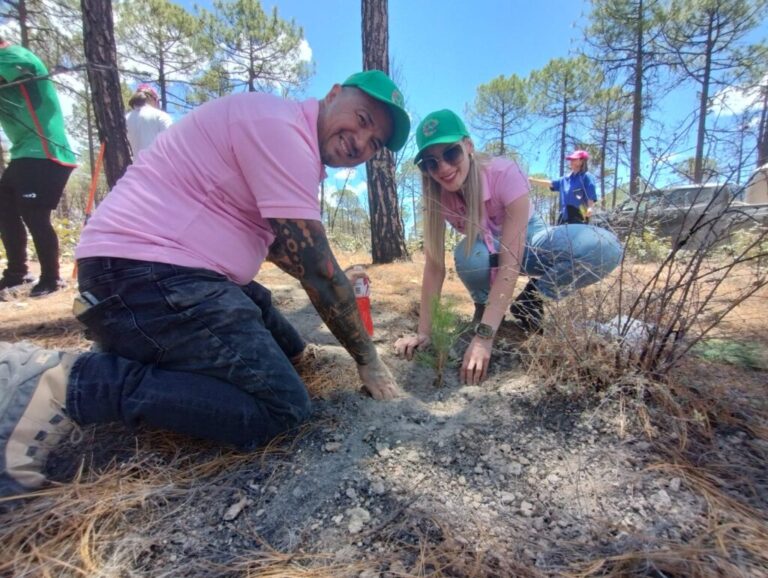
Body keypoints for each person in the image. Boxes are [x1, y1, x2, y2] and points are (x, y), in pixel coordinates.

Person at [0, 69, 410, 497]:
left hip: (155, 275)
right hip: (141, 279)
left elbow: (291, 253)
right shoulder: (282, 130)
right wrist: (368, 360)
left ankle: (141, 351)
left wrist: (334, 280)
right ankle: (70, 382)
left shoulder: (284, 131)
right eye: (363, 120)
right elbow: (316, 271)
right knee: (282, 408)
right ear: (332, 94)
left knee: (276, 329)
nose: (362, 143)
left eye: (375, 142)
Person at [394, 110, 622, 385]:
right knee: (469, 254)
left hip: (530, 240)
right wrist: (424, 332)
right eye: (431, 162)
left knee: (603, 247)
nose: (442, 168)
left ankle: (534, 298)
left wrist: (483, 338)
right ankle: (483, 306)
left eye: (451, 153)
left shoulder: (503, 173)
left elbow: (510, 262)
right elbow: (434, 266)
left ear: (468, 146)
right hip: (485, 249)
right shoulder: (437, 194)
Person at [0, 37, 77, 297]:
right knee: (5, 210)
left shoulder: (13, 54)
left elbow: (17, 69)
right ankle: (16, 274)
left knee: (34, 215)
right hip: (23, 152)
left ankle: (52, 278)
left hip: (47, 151)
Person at [530, 149, 597, 224]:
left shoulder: (586, 177)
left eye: (574, 159)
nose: (571, 161)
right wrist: (532, 181)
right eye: (571, 159)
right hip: (564, 216)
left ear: (582, 161)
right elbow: (550, 183)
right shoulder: (565, 179)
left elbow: (591, 195)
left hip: (580, 216)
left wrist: (590, 208)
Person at [125, 83, 173, 157]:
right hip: (158, 166)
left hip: (134, 167)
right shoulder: (161, 116)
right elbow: (170, 146)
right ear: (153, 99)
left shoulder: (125, 119)